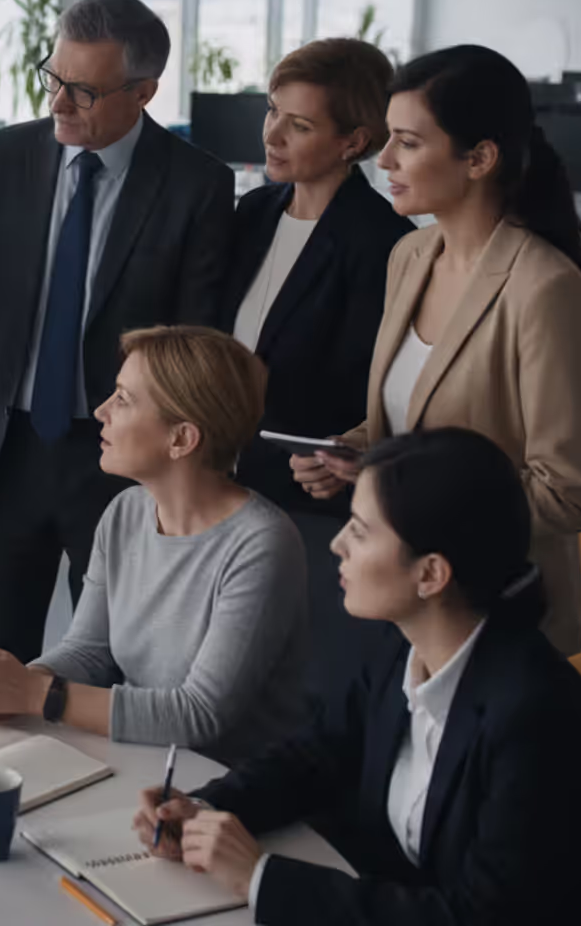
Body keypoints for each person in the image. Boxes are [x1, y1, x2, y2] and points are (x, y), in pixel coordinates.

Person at [137, 428, 581, 925]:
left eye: (359, 529)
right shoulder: (402, 645)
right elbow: (317, 756)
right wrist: (205, 808)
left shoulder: (534, 712)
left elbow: (482, 917)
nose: (335, 544)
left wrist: (261, 878)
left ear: (431, 575)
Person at [0, 0, 235, 665]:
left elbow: (192, 345)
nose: (59, 103)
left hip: (123, 462)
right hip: (7, 452)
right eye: (54, 78)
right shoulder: (6, 156)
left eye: (83, 91)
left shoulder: (196, 185)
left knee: (113, 659)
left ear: (143, 93)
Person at [290, 44, 581, 657]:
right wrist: (352, 451)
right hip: (400, 600)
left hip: (492, 617)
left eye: (408, 143)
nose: (383, 159)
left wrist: (406, 497)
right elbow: (411, 421)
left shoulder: (545, 289)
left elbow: (569, 493)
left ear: (480, 158)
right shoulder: (410, 256)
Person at [0, 326, 305, 765]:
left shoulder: (261, 544)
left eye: (123, 400)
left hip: (225, 789)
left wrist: (38, 694)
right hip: (137, 759)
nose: (99, 411)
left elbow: (199, 715)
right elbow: (90, 650)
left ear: (182, 439)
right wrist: (10, 684)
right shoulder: (126, 511)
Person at [222, 38, 412, 692]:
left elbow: (384, 389)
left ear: (353, 140)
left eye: (299, 124)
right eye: (273, 111)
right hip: (222, 491)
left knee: (295, 684)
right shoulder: (251, 213)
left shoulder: (385, 244)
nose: (273, 133)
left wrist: (350, 455)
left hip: (310, 502)